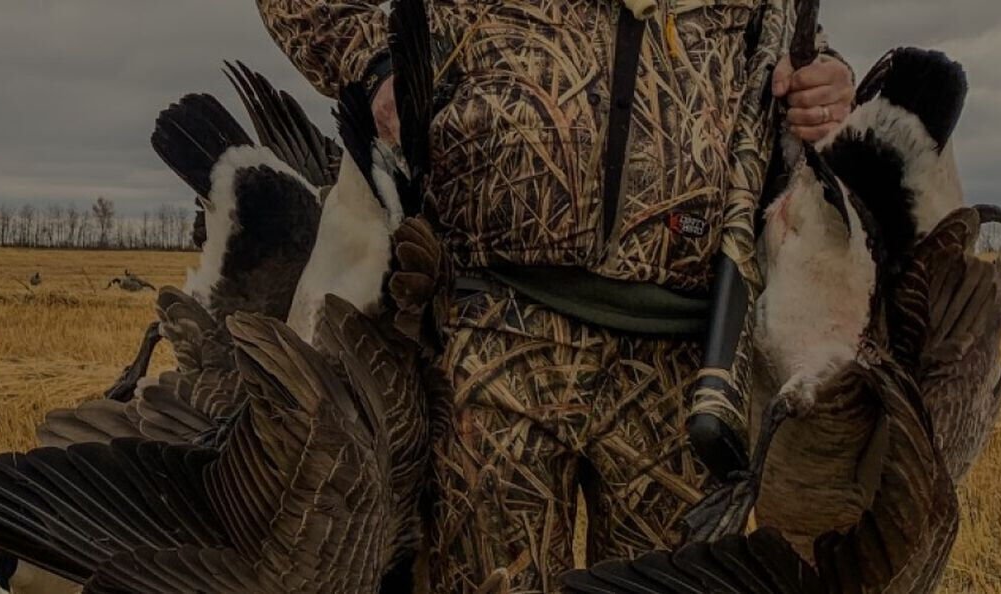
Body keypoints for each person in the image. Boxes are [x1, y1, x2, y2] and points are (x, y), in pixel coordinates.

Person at [256, 1, 856, 591]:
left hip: (687, 372)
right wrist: (380, 66)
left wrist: (825, 82)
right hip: (494, 337)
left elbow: (789, 52)